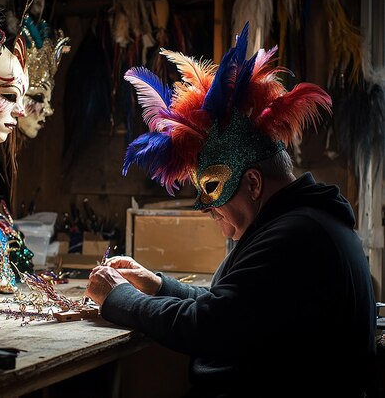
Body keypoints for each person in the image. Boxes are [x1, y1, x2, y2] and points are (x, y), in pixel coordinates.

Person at [85, 22, 376, 397]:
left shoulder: (296, 237)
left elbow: (210, 326)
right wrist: (156, 286)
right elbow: (236, 309)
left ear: (253, 183)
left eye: (215, 196)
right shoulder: (302, 223)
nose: (216, 219)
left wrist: (119, 298)